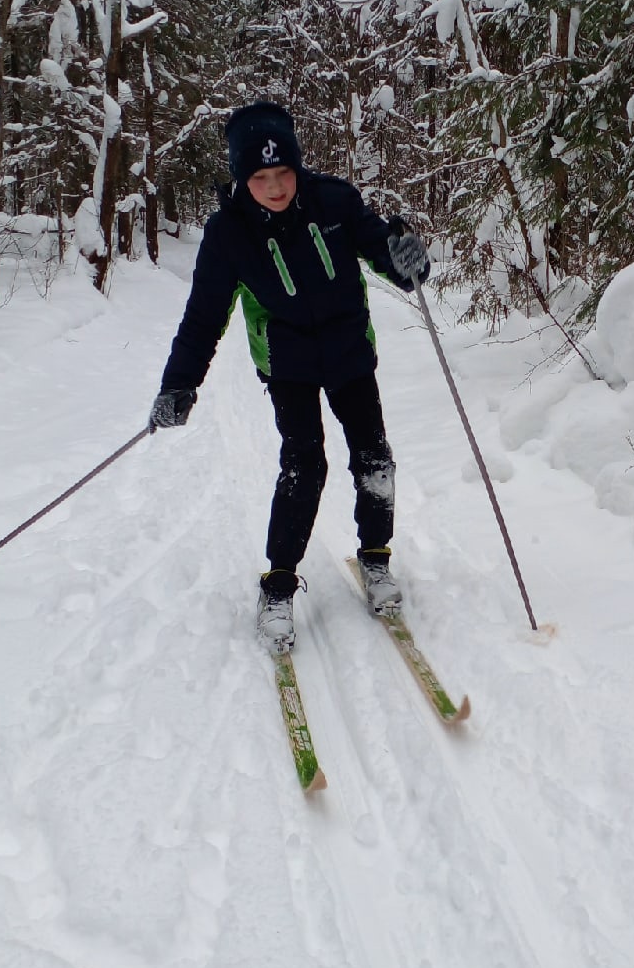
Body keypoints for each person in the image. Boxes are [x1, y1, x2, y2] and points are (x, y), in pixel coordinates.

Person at [148, 100, 429, 653]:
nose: (275, 186)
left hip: (349, 351)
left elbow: (384, 252)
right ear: (241, 177)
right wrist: (179, 384)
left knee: (375, 457)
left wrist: (405, 256)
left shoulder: (335, 201)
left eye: (283, 173)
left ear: (297, 167)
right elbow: (204, 315)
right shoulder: (230, 233)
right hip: (288, 365)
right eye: (260, 176)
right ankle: (278, 583)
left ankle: (376, 559)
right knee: (305, 465)